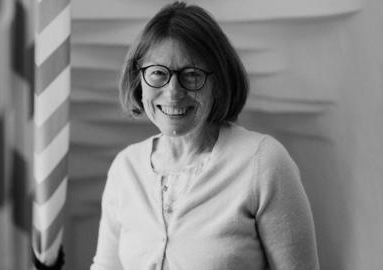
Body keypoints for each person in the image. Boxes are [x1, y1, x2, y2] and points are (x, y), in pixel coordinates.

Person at [90, 2, 319, 270]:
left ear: (218, 82)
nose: (173, 92)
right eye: (158, 74)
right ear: (138, 80)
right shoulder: (125, 168)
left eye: (192, 75)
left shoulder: (263, 162)